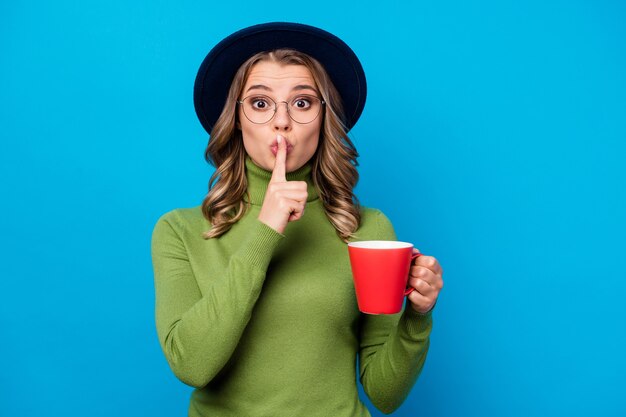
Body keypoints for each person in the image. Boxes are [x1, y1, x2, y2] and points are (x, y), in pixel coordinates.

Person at [151, 22, 444, 417]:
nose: (281, 122)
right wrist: (265, 231)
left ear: (325, 118)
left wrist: (417, 318)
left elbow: (384, 394)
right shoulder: (179, 230)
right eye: (260, 103)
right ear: (235, 119)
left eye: (302, 103)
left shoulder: (368, 230)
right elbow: (191, 365)